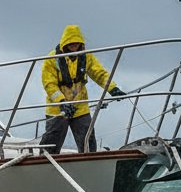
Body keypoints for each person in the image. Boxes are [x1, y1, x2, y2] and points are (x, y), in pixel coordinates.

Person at [40, 25, 125, 153]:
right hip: (57, 108)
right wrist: (62, 102)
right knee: (52, 141)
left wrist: (113, 88)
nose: (74, 46)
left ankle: (89, 165)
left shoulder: (86, 56)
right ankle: (44, 165)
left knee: (88, 140)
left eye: (77, 44)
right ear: (65, 43)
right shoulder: (51, 59)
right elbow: (49, 84)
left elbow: (99, 74)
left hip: (80, 107)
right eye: (71, 44)